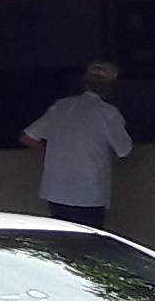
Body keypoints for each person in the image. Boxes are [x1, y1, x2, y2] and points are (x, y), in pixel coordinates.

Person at [23, 62, 134, 227]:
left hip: (56, 191)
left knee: (63, 243)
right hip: (89, 193)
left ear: (84, 81)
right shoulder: (107, 113)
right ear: (112, 85)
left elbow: (28, 138)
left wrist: (55, 150)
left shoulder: (61, 106)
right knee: (88, 244)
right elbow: (124, 150)